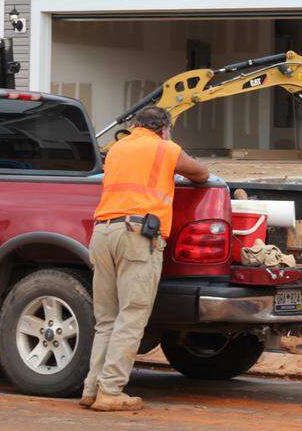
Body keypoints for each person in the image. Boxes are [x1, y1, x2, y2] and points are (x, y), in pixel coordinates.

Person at [81, 107, 209, 412]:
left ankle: (92, 387)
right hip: (137, 236)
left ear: (136, 126)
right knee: (132, 315)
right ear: (163, 129)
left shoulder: (116, 149)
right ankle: (111, 391)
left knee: (107, 319)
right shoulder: (165, 148)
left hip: (102, 233)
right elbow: (201, 174)